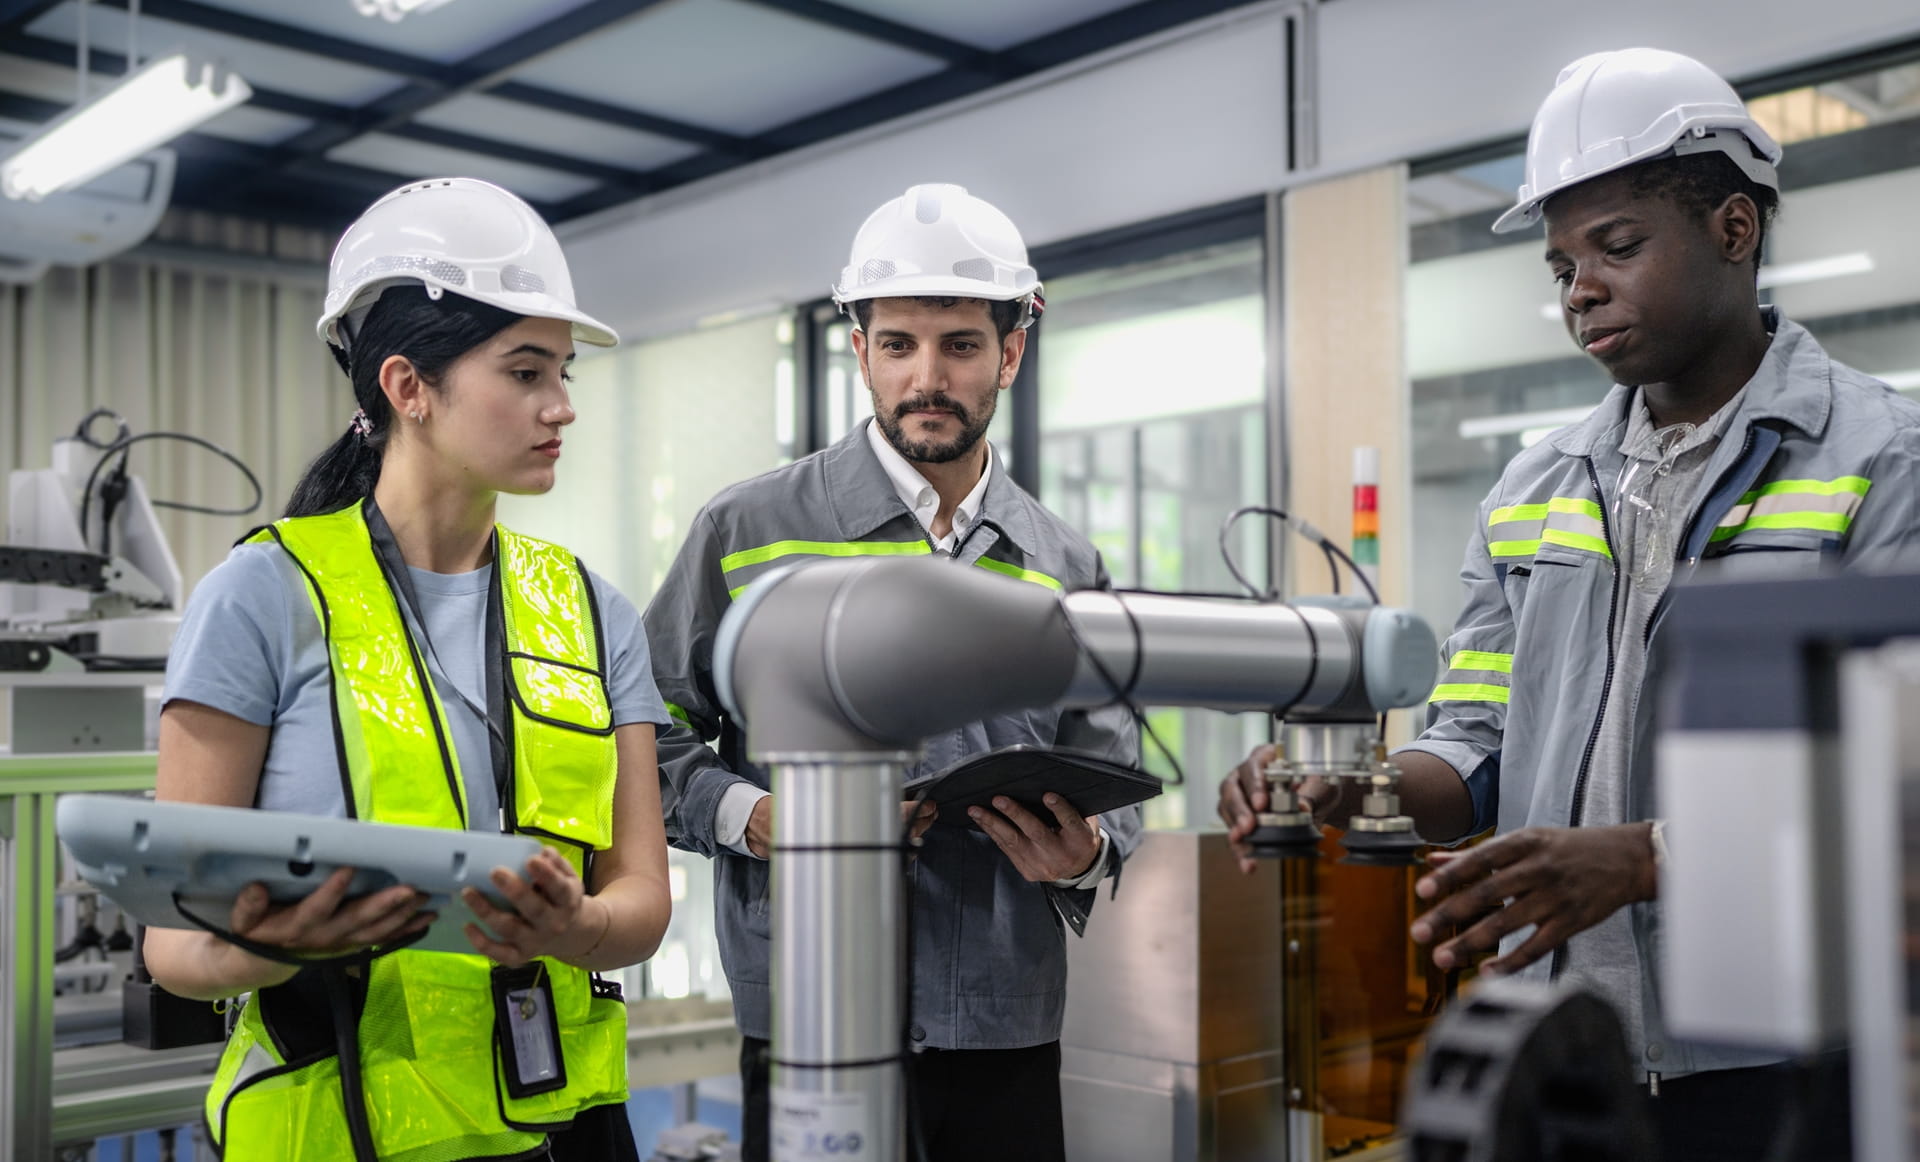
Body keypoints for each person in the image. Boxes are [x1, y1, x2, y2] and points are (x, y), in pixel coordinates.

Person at [1218, 47, 1920, 1160]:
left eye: (1618, 246)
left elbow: (1898, 789)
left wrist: (1647, 858)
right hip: (1554, 1047)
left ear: (1735, 230)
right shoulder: (1534, 487)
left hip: (1781, 1055)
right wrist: (1357, 789)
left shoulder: (1885, 459)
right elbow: (1474, 742)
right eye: (1560, 266)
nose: (1580, 288)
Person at [145, 177, 674, 1162]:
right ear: (407, 386)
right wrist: (276, 940)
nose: (562, 406)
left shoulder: (593, 611)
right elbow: (175, 948)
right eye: (525, 371)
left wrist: (576, 925)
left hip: (560, 1131)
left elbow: (639, 902)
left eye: (563, 372)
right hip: (336, 1128)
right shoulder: (264, 594)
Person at [644, 182, 1142, 1162]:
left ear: (1012, 348)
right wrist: (757, 817)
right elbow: (641, 731)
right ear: (860, 349)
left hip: (1001, 1024)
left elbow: (1111, 770)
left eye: (960, 344)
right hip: (809, 1018)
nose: (928, 377)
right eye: (898, 344)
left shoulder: (1066, 562)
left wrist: (1083, 853)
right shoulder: (745, 532)